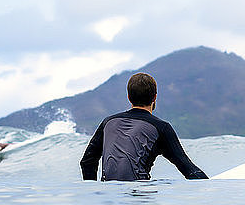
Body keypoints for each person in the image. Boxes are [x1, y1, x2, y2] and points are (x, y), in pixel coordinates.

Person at [80, 73, 208, 181]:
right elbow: (188, 169)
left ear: (129, 97)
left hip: (109, 195)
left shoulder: (108, 122)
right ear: (155, 97)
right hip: (139, 196)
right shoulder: (160, 128)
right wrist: (212, 190)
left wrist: (95, 194)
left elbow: (87, 162)